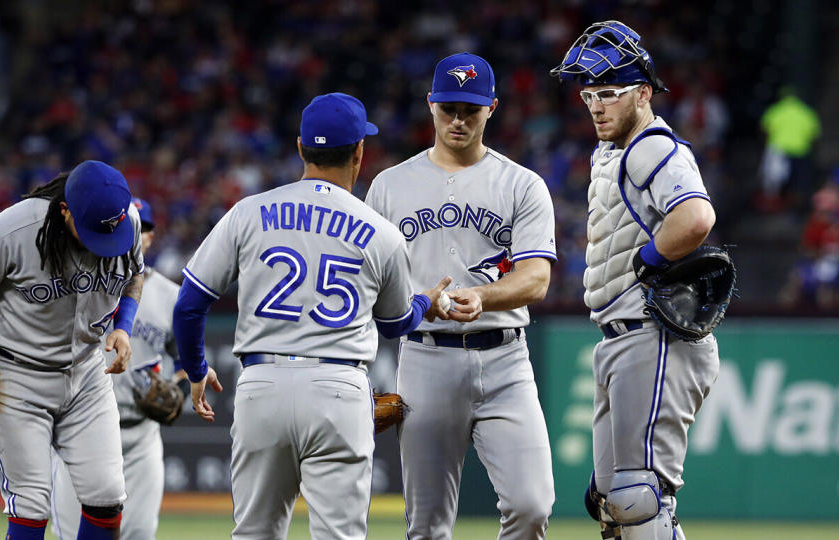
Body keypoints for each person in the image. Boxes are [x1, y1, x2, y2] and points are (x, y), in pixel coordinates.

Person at [172, 92, 452, 539]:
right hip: (338, 389)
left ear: (301, 147)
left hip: (262, 387)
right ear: (360, 152)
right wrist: (424, 302)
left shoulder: (249, 212)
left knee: (254, 533)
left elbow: (189, 304)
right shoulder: (380, 232)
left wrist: (196, 368)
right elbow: (396, 323)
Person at [365, 52, 557, 539]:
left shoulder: (522, 185)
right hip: (425, 358)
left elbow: (536, 278)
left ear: (491, 107)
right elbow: (368, 281)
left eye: (469, 109)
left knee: (532, 505)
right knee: (427, 526)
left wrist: (485, 297)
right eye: (448, 107)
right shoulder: (389, 187)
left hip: (506, 358)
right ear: (430, 104)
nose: (457, 119)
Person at [550, 20, 721, 539]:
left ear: (643, 93)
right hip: (622, 337)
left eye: (609, 93)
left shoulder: (652, 146)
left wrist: (649, 255)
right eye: (589, 95)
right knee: (612, 501)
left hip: (653, 333)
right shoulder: (614, 151)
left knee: (637, 495)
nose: (596, 105)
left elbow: (695, 217)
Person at [0, 160, 144, 539]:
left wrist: (124, 327)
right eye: (90, 232)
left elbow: (135, 273)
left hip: (87, 372)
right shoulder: (13, 229)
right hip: (16, 376)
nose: (102, 242)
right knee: (31, 505)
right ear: (64, 209)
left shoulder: (126, 223)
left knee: (107, 496)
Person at [51, 197, 182, 540]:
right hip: (78, 429)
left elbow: (187, 363)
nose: (138, 235)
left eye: (146, 228)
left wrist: (178, 390)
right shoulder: (78, 283)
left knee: (138, 533)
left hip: (139, 435)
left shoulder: (171, 297)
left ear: (150, 236)